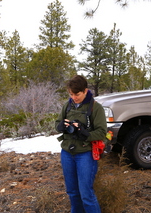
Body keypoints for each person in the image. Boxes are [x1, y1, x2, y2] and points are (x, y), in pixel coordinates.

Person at [55, 75, 107, 213]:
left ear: (85, 91)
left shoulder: (96, 108)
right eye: (71, 94)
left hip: (85, 154)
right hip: (67, 153)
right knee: (72, 192)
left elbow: (102, 132)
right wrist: (61, 126)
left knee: (86, 195)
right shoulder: (67, 106)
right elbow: (57, 123)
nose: (74, 97)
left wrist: (85, 133)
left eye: (77, 94)